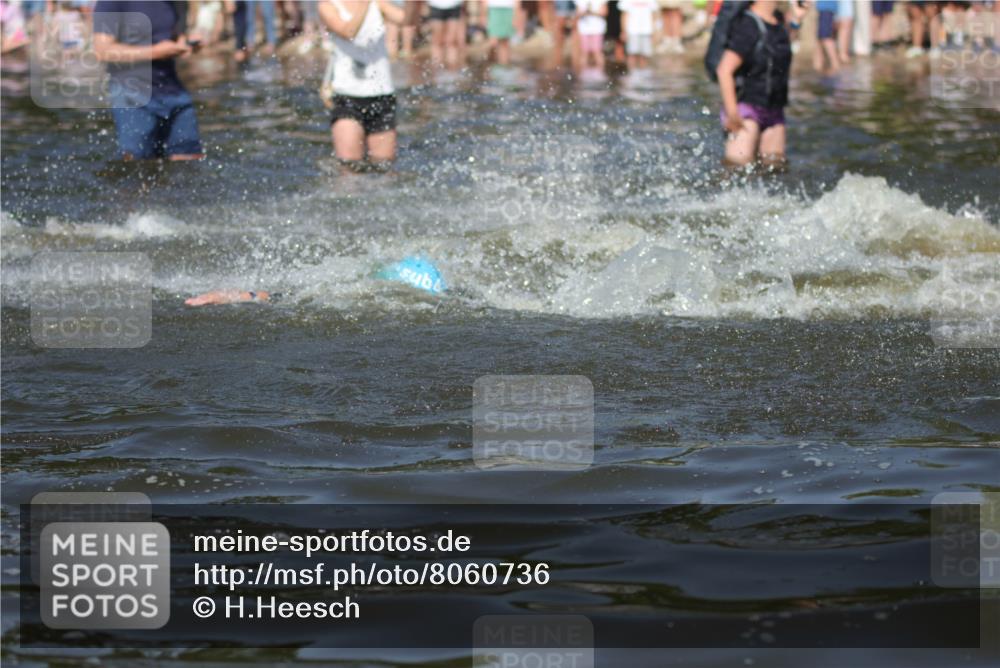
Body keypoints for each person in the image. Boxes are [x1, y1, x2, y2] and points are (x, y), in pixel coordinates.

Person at [93, 1, 204, 160]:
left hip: (174, 91)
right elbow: (102, 51)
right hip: (132, 95)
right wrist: (155, 52)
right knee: (138, 170)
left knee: (190, 165)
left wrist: (185, 44)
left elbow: (171, 37)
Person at [320, 0, 414, 164]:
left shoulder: (379, 3)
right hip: (347, 96)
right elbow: (348, 32)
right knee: (349, 167)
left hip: (381, 94)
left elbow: (407, 20)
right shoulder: (328, 5)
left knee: (384, 167)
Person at [715, 0, 805, 167]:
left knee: (775, 170)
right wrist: (732, 114)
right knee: (737, 169)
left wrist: (797, 20)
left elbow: (780, 45)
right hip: (746, 111)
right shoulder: (747, 24)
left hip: (775, 110)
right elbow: (724, 70)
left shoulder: (777, 19)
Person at [428, 0, 465, 67]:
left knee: (452, 42)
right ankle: (437, 68)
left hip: (454, 5)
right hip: (436, 5)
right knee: (437, 41)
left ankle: (453, 71)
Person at [620, 0, 656, 68]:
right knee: (632, 54)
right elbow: (624, 15)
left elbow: (653, 15)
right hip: (632, 30)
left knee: (644, 55)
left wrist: (654, 31)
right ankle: (632, 75)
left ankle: (644, 75)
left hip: (647, 31)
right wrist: (624, 31)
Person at [484, 0, 519, 64]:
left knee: (505, 42)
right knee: (493, 42)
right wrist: (484, 14)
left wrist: (516, 14)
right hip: (493, 8)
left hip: (509, 8)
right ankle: (491, 64)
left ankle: (504, 65)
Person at [576, 0, 607, 69]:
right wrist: (585, 12)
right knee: (584, 52)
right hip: (584, 29)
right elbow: (577, 13)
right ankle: (583, 74)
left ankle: (600, 74)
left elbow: (604, 12)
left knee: (597, 51)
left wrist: (591, 12)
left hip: (597, 29)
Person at [814, 0, 840, 71]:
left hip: (826, 7)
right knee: (819, 40)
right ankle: (818, 67)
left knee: (826, 37)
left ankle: (836, 66)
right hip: (824, 8)